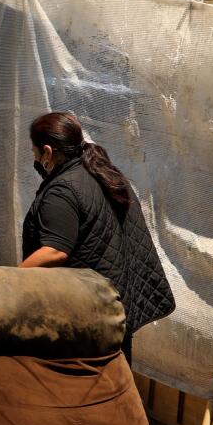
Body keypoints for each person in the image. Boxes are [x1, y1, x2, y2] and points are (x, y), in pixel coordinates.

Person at [19, 112, 175, 358]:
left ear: (47, 152)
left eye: (34, 152)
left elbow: (55, 251)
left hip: (83, 323)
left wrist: (10, 281)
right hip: (114, 311)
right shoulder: (105, 174)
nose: (34, 158)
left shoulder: (62, 191)